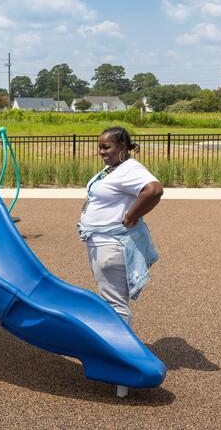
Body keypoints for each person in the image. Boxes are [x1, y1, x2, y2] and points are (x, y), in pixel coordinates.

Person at [76, 127, 164, 328]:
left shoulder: (130, 169)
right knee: (112, 300)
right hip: (100, 242)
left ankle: (122, 351)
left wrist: (132, 215)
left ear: (122, 146)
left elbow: (154, 190)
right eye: (99, 147)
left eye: (106, 147)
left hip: (111, 244)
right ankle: (120, 348)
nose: (101, 152)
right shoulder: (114, 168)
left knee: (115, 304)